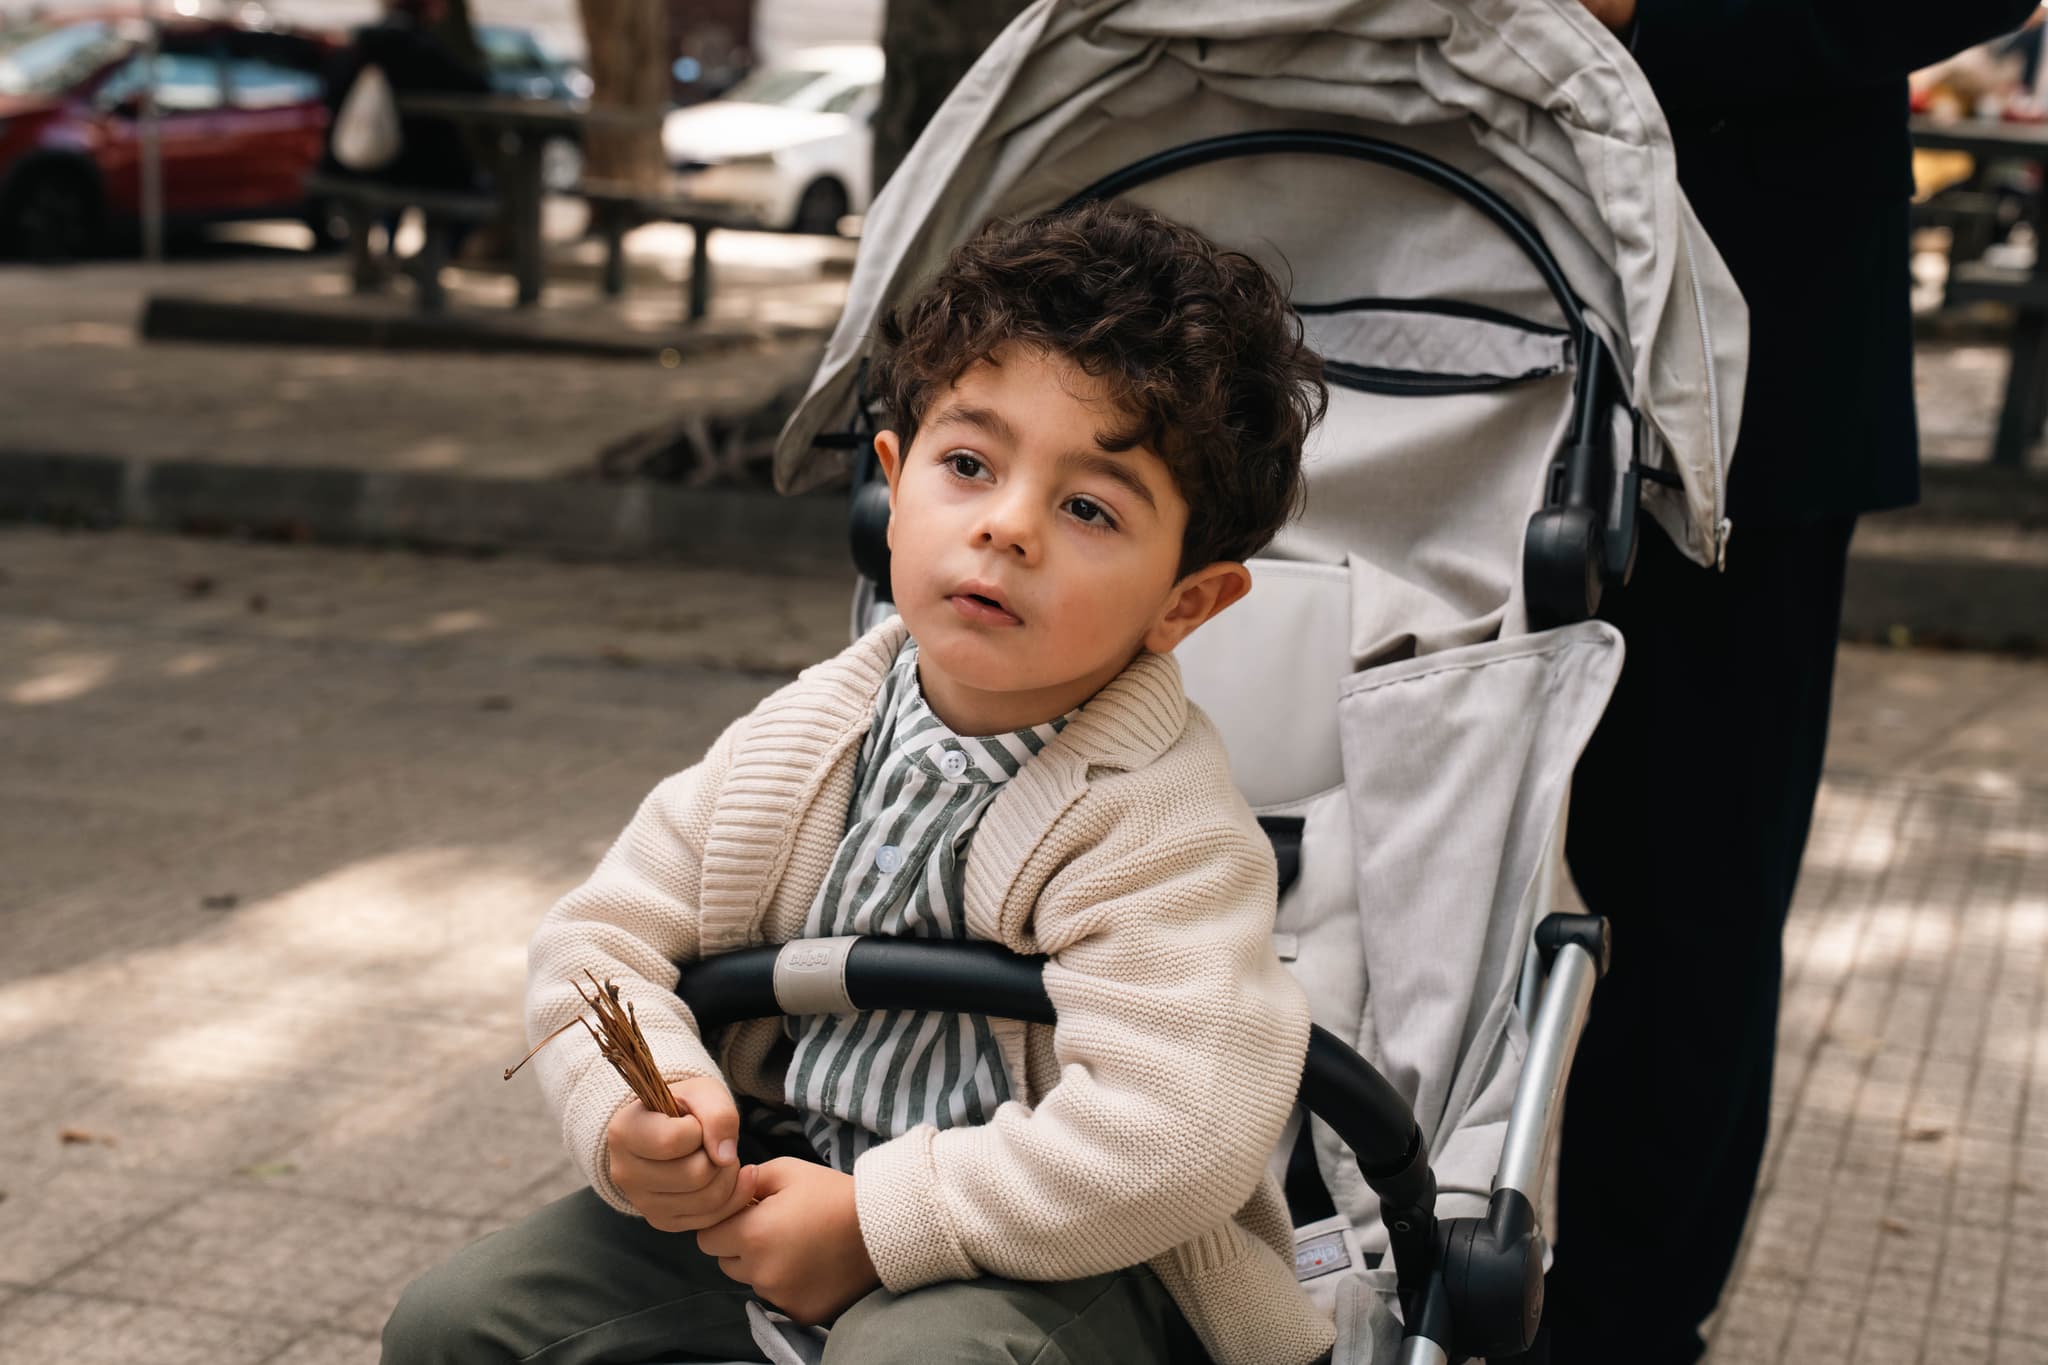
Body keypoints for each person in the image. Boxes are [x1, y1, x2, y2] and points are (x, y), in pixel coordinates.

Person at [380, 200, 1334, 1365]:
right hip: (784, 1181)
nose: (1006, 527)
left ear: (1185, 602)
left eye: (1088, 507)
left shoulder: (1160, 829)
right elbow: (599, 942)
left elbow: (1175, 1135)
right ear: (893, 482)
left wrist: (882, 1224)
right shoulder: (797, 742)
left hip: (1070, 1260)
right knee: (458, 1327)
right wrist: (641, 1106)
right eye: (969, 464)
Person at [1551, 3, 2039, 1361]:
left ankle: (1620, 1326)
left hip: (1758, 320)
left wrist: (1661, 15)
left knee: (1691, 890)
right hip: (1400, 292)